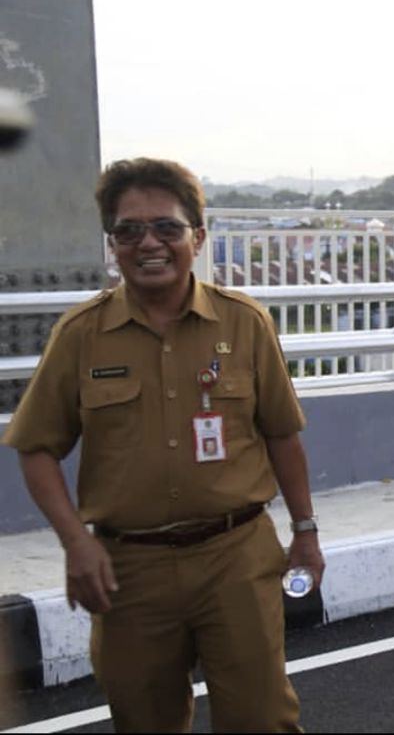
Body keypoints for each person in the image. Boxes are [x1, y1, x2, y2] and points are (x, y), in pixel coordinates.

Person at [2, 158, 323, 732]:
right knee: (144, 720)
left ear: (197, 238)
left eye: (167, 228)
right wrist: (77, 544)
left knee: (262, 719)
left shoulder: (244, 323)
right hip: (130, 568)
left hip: (236, 556)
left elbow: (281, 433)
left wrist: (305, 532)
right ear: (113, 244)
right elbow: (35, 446)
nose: (148, 242)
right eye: (129, 231)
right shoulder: (80, 335)